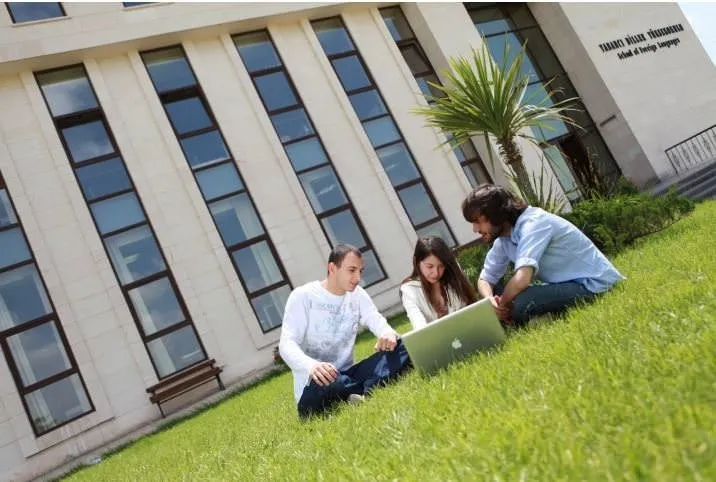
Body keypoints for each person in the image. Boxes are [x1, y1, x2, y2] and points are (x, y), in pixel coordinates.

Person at [278, 243, 412, 419]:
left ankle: (355, 394)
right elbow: (286, 344)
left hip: (348, 374)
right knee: (332, 381)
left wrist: (387, 333)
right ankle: (369, 386)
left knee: (404, 346)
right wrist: (312, 366)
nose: (358, 278)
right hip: (316, 385)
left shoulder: (357, 295)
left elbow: (376, 320)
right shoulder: (303, 296)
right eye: (352, 270)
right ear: (332, 268)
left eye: (360, 271)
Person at [462, 183, 625, 327]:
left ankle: (531, 317)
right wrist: (491, 301)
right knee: (498, 289)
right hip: (565, 285)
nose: (475, 230)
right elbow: (485, 278)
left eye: (479, 221)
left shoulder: (534, 224)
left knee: (521, 300)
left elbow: (522, 280)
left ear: (496, 215)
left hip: (594, 284)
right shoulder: (504, 239)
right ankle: (533, 315)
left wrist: (502, 305)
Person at [400, 236, 477, 330]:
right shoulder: (409, 290)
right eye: (429, 266)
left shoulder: (454, 278)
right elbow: (419, 327)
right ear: (417, 262)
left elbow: (473, 309)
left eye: (441, 266)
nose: (436, 273)